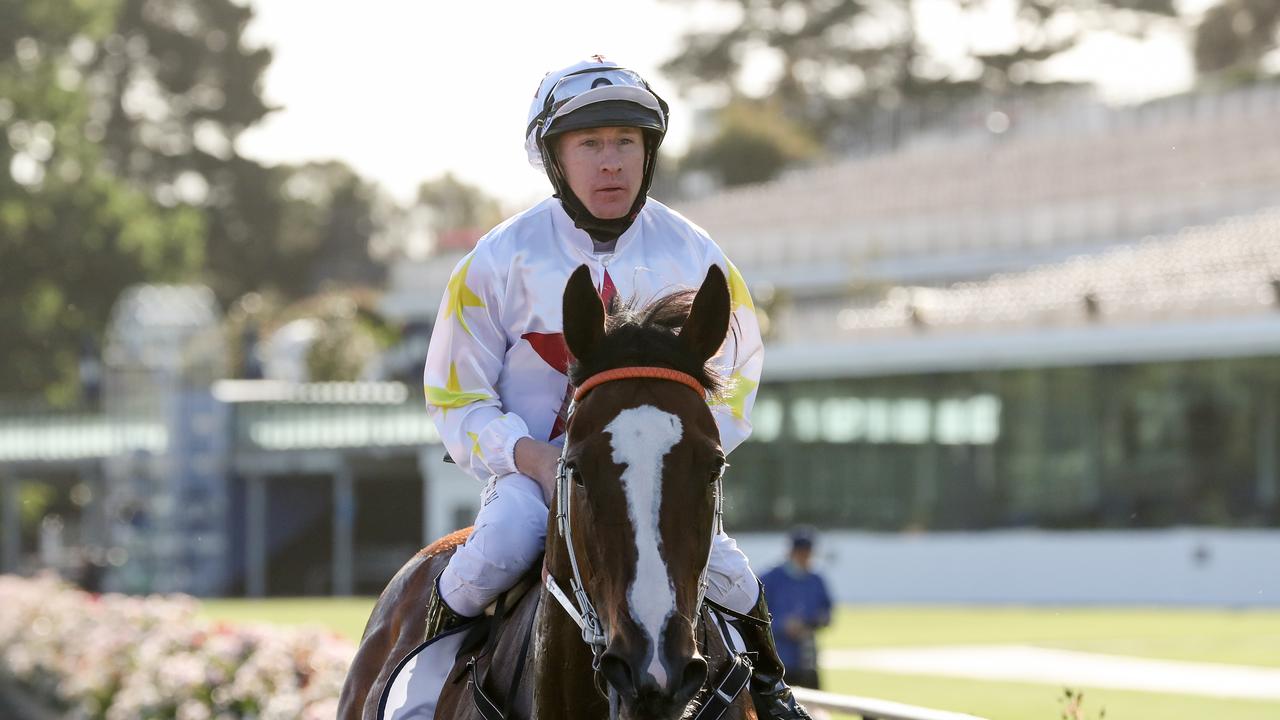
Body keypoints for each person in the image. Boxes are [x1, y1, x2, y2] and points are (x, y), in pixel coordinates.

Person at [421, 56, 810, 718]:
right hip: (533, 477)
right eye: (591, 144)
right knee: (499, 545)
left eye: (626, 143)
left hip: (655, 480)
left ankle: (775, 699)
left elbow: (736, 382)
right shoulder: (494, 260)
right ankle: (420, 693)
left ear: (647, 152)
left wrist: (669, 464)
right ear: (555, 158)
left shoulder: (700, 255)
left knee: (735, 576)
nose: (611, 163)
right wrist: (531, 458)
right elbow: (456, 395)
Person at [760, 527, 834, 690]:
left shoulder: (816, 580)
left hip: (807, 659)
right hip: (777, 658)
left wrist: (811, 623)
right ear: (791, 552)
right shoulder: (769, 579)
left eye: (808, 553)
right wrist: (781, 625)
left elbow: (827, 613)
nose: (805, 558)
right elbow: (755, 615)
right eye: (801, 553)